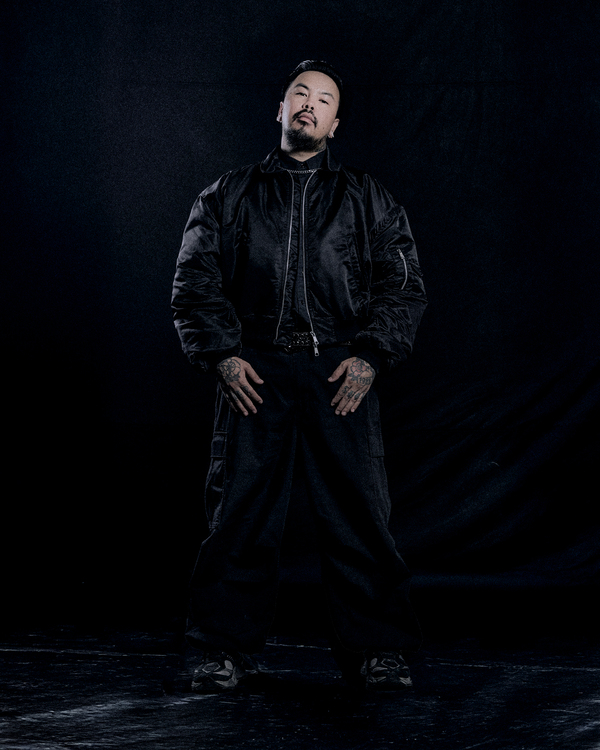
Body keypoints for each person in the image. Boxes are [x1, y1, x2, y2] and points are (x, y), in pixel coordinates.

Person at [171, 60, 427, 693]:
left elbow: (402, 286)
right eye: (300, 94)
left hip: (339, 369)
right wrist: (222, 355)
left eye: (324, 100)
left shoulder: (367, 197)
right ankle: (221, 650)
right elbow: (194, 282)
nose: (310, 104)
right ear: (280, 110)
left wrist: (371, 357)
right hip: (254, 371)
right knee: (239, 512)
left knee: (359, 512)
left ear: (335, 124)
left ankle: (378, 651)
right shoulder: (227, 194)